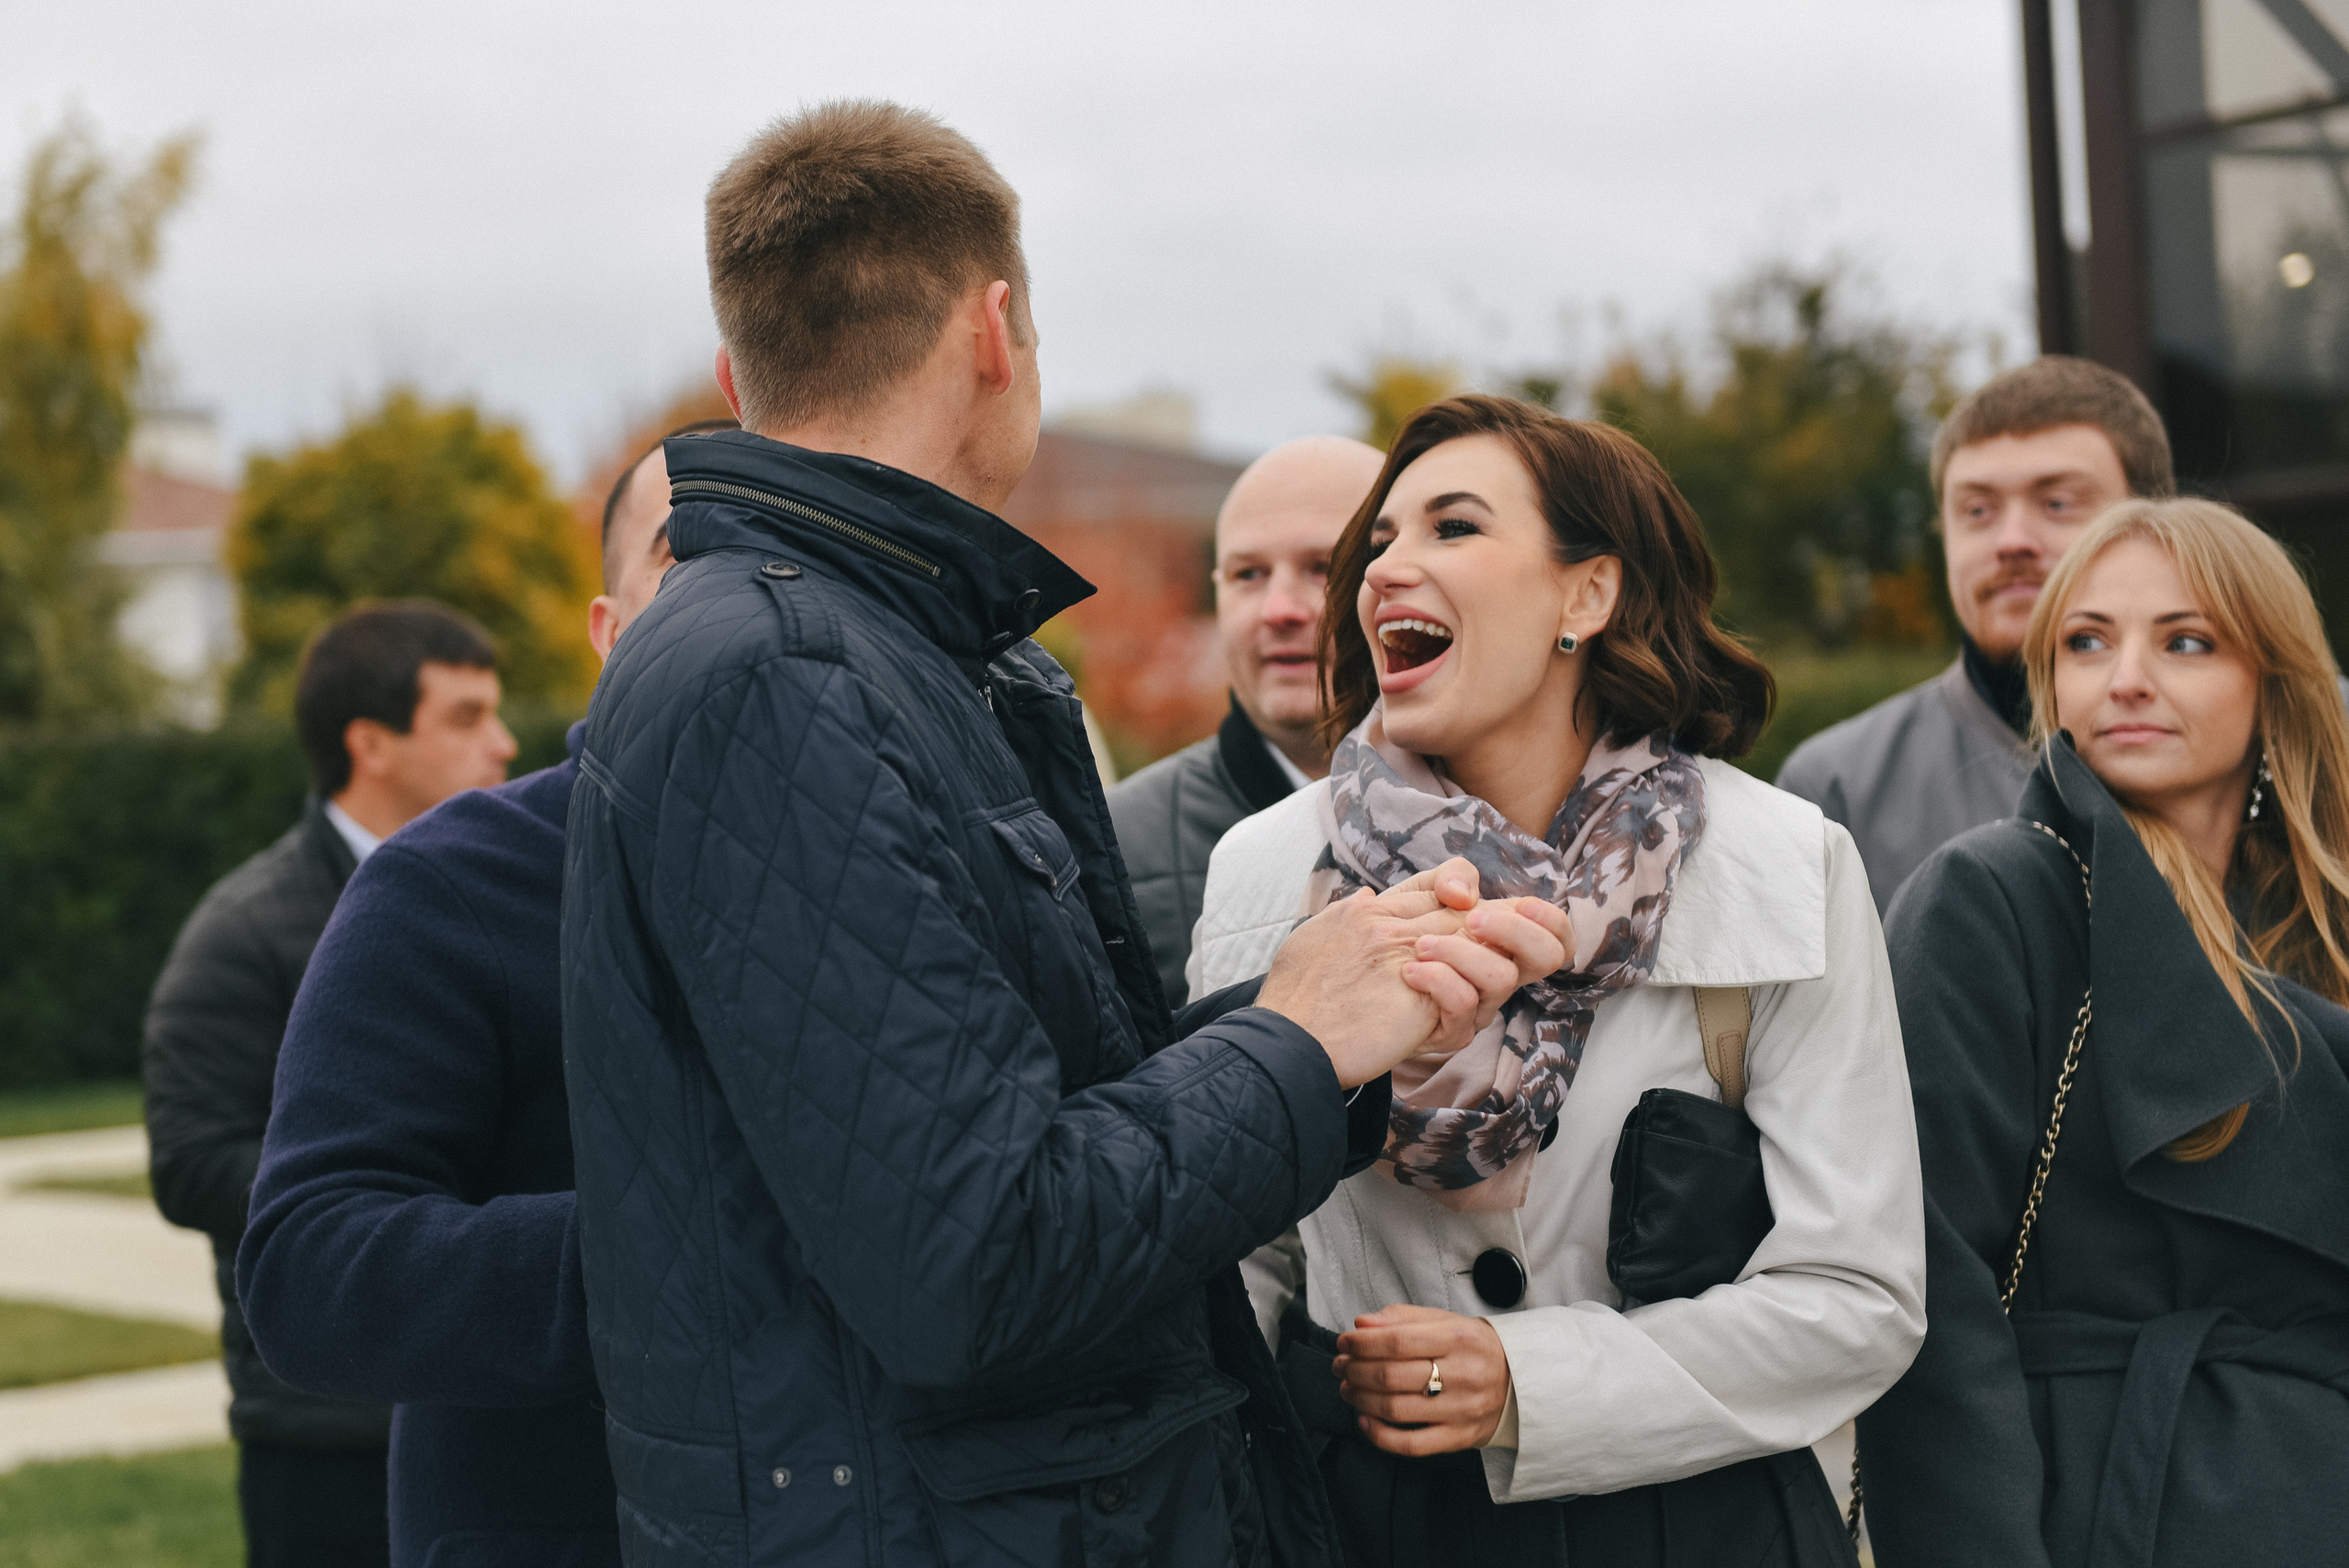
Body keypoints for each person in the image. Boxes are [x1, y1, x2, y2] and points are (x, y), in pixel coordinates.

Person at [560, 102, 1572, 1568]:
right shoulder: (779, 676)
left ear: (738, 375)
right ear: (994, 331)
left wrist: (1358, 1024)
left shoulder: (920, 651)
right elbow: (976, 1258)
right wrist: (1290, 1042)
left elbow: (1028, 1110)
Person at [1193, 395, 1927, 1567]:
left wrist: (1528, 1381)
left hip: (1701, 1519)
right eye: (1380, 540)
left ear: (1587, 594)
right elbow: (1240, 1271)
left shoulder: (1780, 861)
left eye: (1453, 528)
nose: (1387, 568)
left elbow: (1858, 1295)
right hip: (1364, 1520)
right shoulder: (1268, 869)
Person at [234, 422, 729, 1568]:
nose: (736, 583)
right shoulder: (452, 882)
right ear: (609, 634)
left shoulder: (925, 863)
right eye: (684, 547)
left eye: (779, 544)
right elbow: (307, 1263)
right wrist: (686, 1255)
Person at [1854, 498, 2349, 1566]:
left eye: (2185, 640)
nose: (2124, 677)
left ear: (2273, 680)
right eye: (2086, 641)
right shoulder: (1993, 896)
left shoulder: (2322, 934)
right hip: (2096, 1496)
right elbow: (1929, 1289)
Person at [144, 600, 517, 1568]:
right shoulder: (246, 928)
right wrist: (379, 1201)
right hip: (319, 1427)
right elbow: (190, 1160)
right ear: (370, 742)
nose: (506, 743)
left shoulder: (509, 896)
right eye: (468, 717)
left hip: (484, 1394)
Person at [1776, 356, 2173, 911]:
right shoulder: (1836, 792)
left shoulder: (2306, 741)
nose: (2012, 540)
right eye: (1978, 510)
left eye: (2057, 503)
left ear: (2158, 526)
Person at [1110, 434, 1386, 1003]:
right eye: (1248, 574)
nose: (1279, 609)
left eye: (1323, 567)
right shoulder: (1112, 848)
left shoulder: (1496, 815)